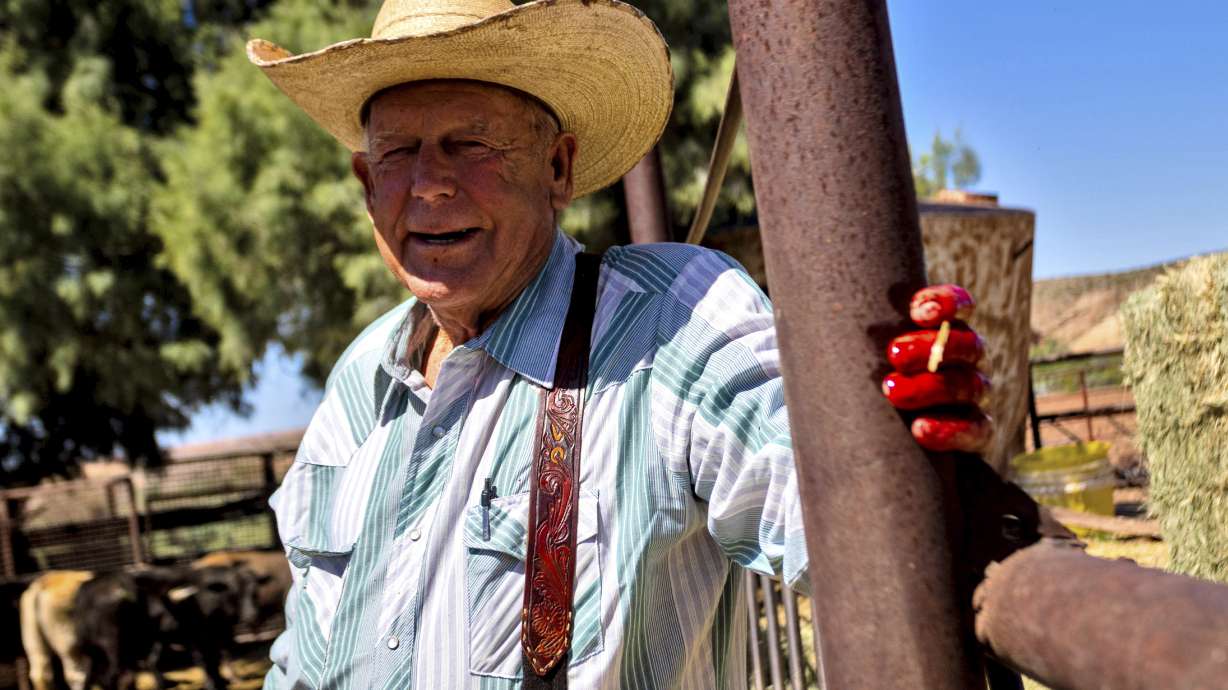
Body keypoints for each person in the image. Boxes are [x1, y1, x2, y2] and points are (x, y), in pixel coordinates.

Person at [247, 0, 992, 687]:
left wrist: (896, 441)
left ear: (558, 167)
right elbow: (306, 656)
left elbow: (835, 506)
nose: (429, 184)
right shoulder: (360, 379)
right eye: (397, 153)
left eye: (470, 143)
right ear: (364, 181)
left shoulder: (666, 320)